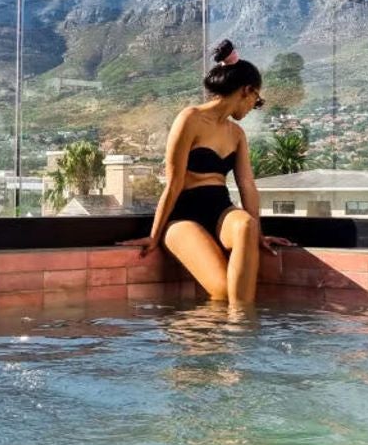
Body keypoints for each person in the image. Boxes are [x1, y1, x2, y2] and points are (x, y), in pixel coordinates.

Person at [125, 39, 293, 306]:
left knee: (246, 224)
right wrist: (154, 235)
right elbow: (174, 182)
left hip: (221, 211)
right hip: (183, 216)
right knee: (224, 294)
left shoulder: (237, 134)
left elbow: (247, 185)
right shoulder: (189, 119)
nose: (253, 107)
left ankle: (242, 329)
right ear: (246, 91)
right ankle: (220, 333)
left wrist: (258, 236)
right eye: (256, 100)